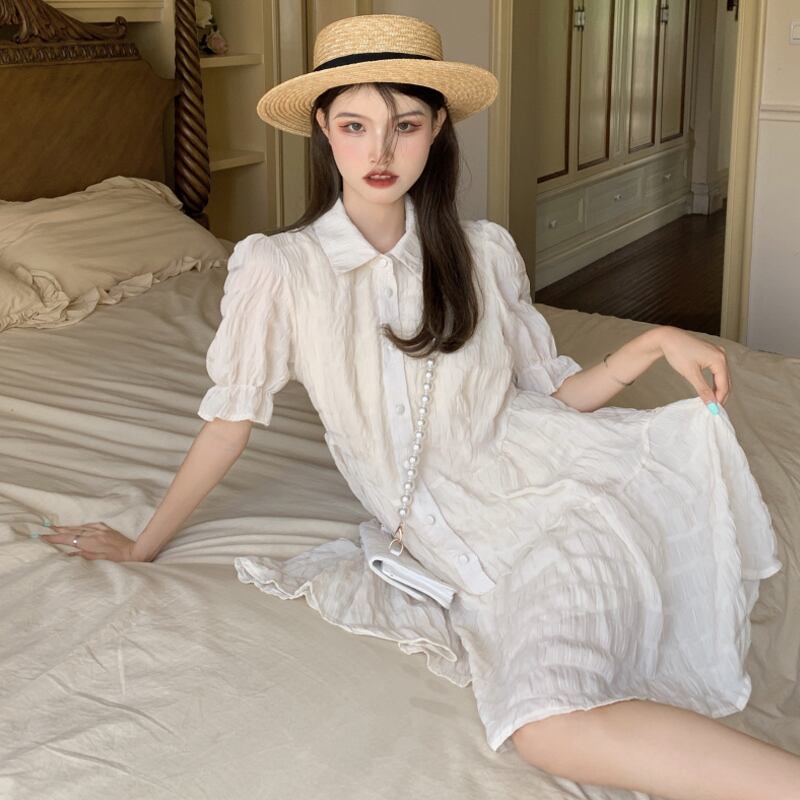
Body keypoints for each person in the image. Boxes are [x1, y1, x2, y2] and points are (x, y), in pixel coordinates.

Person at [41, 13, 799, 799]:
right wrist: (144, 545)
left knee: (546, 724)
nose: (379, 152)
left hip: (560, 504)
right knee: (550, 720)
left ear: (436, 129)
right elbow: (229, 422)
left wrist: (650, 345)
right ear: (323, 130)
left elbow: (548, 401)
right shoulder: (280, 268)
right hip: (463, 539)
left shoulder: (484, 253)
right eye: (354, 125)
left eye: (404, 125)